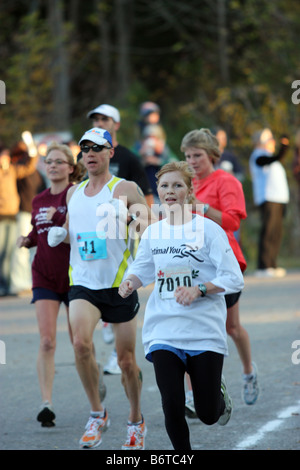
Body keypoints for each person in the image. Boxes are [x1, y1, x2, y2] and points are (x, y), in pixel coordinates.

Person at [119, 161, 244, 450]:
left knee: (208, 414)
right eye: (164, 185)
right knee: (171, 403)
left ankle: (217, 396)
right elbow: (143, 268)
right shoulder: (153, 232)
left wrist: (200, 289)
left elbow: (233, 278)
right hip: (163, 330)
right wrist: (130, 282)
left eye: (177, 185)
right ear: (158, 191)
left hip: (203, 332)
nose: (170, 191)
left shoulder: (208, 230)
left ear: (190, 190)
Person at [49, 127, 152, 449]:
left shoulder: (125, 188)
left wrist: (131, 220)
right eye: (85, 148)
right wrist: (59, 235)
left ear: (110, 153)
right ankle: (97, 413)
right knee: (80, 345)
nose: (90, 153)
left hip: (119, 285)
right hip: (83, 283)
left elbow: (145, 225)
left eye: (97, 148)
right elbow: (72, 230)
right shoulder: (73, 192)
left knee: (125, 361)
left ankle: (135, 420)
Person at [181, 128, 259, 409]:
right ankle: (195, 395)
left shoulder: (226, 182)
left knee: (230, 327)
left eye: (197, 155)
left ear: (212, 154)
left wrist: (199, 207)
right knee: (192, 329)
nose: (192, 161)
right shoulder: (184, 183)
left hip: (223, 264)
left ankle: (248, 372)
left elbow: (232, 223)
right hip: (190, 263)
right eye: (188, 156)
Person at [16, 142, 86, 427]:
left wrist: (57, 216)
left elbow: (77, 227)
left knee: (80, 343)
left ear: (71, 168)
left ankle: (95, 395)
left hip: (74, 275)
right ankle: (46, 403)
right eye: (49, 161)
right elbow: (38, 228)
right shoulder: (39, 198)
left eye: (59, 161)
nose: (53, 165)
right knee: (47, 341)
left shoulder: (76, 194)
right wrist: (29, 239)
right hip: (44, 274)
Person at [86, 103, 154, 374]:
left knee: (119, 280)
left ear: (116, 125)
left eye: (105, 119)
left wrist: (139, 220)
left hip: (122, 227)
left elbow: (146, 195)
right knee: (97, 278)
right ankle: (106, 323)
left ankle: (117, 352)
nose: (100, 122)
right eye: (96, 119)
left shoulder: (126, 157)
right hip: (93, 230)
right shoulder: (86, 155)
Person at [249, 129, 289, 277]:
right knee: (268, 232)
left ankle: (272, 264)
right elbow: (277, 157)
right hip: (268, 198)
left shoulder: (269, 157)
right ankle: (263, 265)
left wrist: (283, 146)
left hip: (279, 199)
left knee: (276, 233)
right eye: (269, 141)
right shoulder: (258, 156)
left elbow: (278, 158)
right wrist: (284, 146)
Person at [0, 142, 38, 296]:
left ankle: (8, 286)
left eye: (6, 156)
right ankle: (1, 286)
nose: (4, 159)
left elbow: (29, 167)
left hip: (12, 215)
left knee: (9, 252)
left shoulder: (12, 170)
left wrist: (33, 151)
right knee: (1, 252)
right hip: (1, 216)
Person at [9, 142, 47, 296]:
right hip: (23, 212)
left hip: (36, 213)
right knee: (21, 249)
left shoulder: (36, 171)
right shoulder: (20, 169)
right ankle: (19, 283)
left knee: (35, 251)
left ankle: (32, 280)